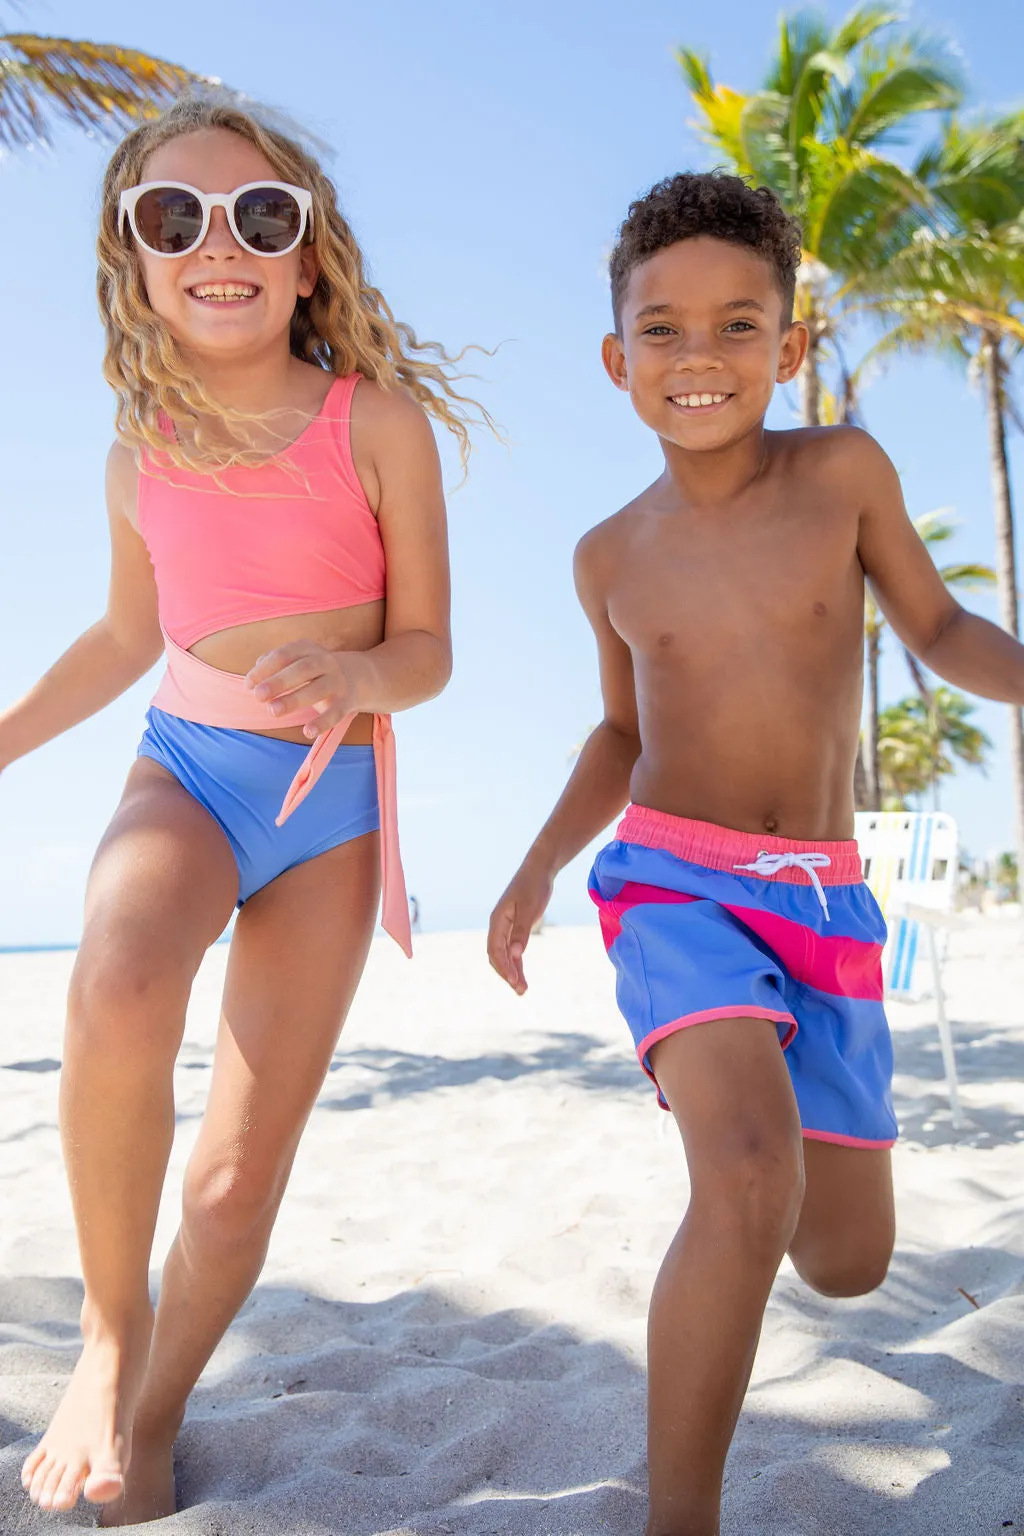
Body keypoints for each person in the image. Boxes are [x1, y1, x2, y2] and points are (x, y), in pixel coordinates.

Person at [487, 171, 1024, 1536]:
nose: (698, 357)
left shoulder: (840, 473)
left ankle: (751, 1205)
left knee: (848, 1260)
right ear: (619, 362)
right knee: (743, 1178)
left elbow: (941, 628)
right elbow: (620, 734)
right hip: (674, 883)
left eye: (739, 326)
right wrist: (540, 863)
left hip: (829, 905)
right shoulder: (609, 553)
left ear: (789, 350)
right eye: (661, 330)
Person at [2, 93, 486, 1524]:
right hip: (190, 772)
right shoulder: (136, 452)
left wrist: (356, 671)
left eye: (259, 215)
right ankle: (105, 1332)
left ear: (308, 255)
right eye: (176, 218)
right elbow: (118, 638)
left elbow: (432, 653)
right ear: (135, 258)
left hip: (329, 803)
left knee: (228, 1185)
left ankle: (149, 1423)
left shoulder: (376, 426)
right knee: (120, 975)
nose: (220, 243)